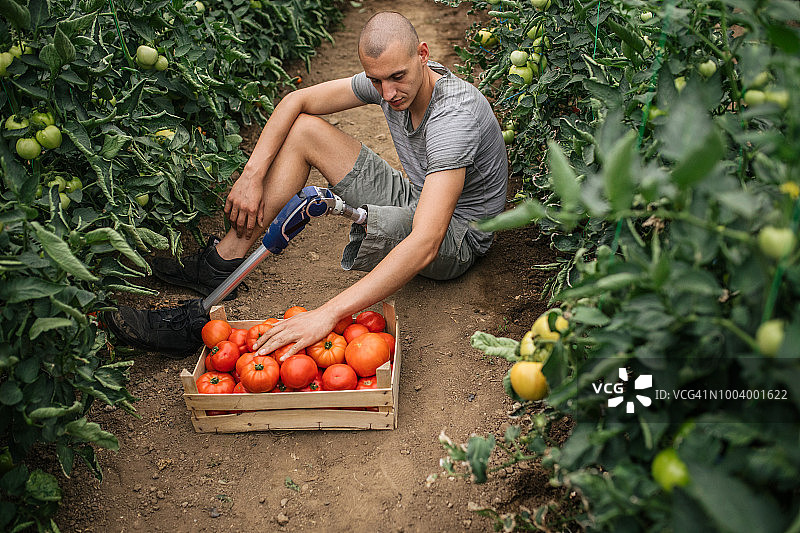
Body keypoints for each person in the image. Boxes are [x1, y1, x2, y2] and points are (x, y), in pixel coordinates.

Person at [106, 11, 508, 356]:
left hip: (457, 236)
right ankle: (224, 261)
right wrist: (251, 176)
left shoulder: (454, 117)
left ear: (423, 55)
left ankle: (221, 304)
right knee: (305, 132)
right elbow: (296, 101)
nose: (387, 93)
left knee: (419, 235)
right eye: (377, 81)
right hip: (423, 198)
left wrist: (327, 314)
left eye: (397, 77)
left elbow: (426, 241)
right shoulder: (392, 79)